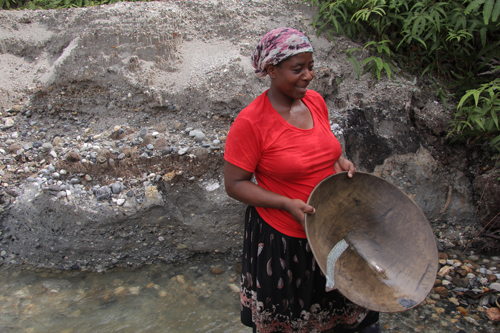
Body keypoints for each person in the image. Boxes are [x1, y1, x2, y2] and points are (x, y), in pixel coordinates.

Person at [224, 27, 381, 333]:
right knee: (295, 320)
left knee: (354, 316)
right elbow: (235, 184)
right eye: (298, 69)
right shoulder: (251, 122)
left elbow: (323, 148)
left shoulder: (315, 103)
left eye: (311, 66)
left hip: (334, 227)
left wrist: (340, 162)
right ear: (271, 69)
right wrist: (286, 204)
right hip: (285, 241)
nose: (308, 76)